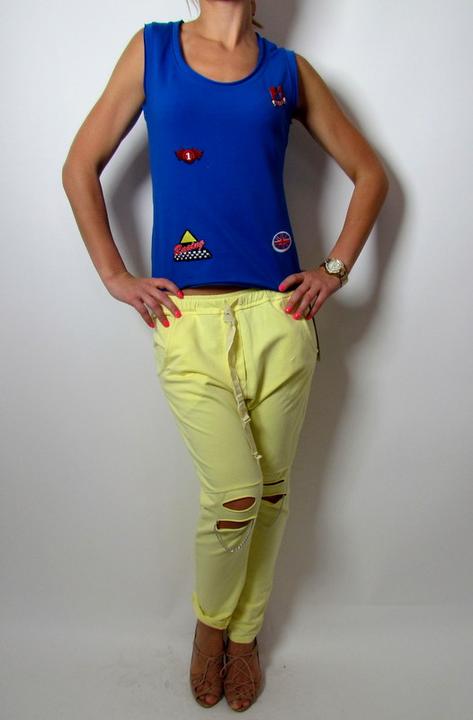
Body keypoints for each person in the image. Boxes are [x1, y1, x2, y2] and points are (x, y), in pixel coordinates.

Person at [62, 0, 389, 711]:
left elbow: (370, 174)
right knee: (234, 492)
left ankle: (245, 636)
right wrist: (114, 274)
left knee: (270, 493)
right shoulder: (153, 52)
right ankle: (209, 627)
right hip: (187, 317)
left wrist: (334, 269)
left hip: (280, 313)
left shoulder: (288, 72)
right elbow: (80, 165)